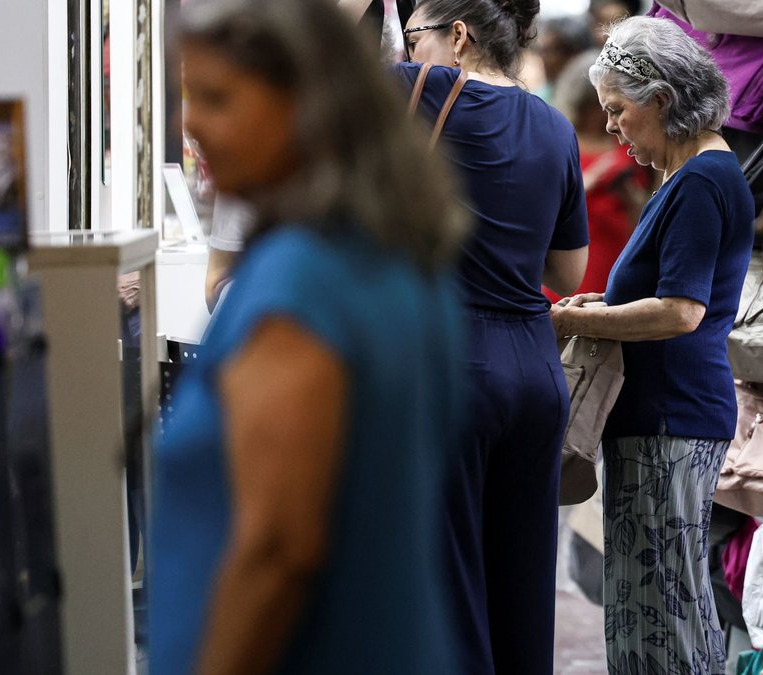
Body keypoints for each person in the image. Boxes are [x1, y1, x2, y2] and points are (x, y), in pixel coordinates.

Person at [148, 1, 469, 674]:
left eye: (217, 98)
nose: (191, 123)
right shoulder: (398, 258)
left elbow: (277, 551)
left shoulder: (299, 286)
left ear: (306, 103)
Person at [339, 0, 591, 671]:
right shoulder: (555, 125)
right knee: (523, 584)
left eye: (415, 36)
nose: (409, 49)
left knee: (448, 585)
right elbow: (569, 270)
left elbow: (314, 74)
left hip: (450, 363)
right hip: (536, 370)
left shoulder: (406, 93)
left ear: (457, 35)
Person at [549, 17, 754, 674]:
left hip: (671, 417)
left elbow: (680, 311)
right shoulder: (693, 178)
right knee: (661, 602)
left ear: (661, 98)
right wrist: (599, 306)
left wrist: (578, 322)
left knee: (663, 607)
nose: (611, 127)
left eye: (618, 110)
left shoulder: (699, 181)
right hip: (666, 417)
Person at [546, 49, 651, 301]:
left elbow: (643, 221)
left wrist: (629, 196)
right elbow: (542, 212)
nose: (603, 116)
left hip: (617, 253)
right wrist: (589, 182)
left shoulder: (630, 146)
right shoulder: (559, 141)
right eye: (595, 106)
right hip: (573, 258)